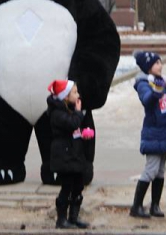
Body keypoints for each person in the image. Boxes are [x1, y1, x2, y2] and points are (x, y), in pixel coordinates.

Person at [129, 51, 166, 219]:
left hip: (164, 131)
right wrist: (158, 90)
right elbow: (147, 100)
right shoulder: (143, 83)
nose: (160, 65)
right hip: (152, 132)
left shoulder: (161, 83)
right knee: (151, 169)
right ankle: (136, 206)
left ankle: (155, 205)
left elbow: (165, 107)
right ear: (147, 67)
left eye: (161, 62)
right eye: (156, 63)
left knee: (160, 171)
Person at [47, 79, 92, 229]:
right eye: (74, 92)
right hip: (64, 157)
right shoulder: (56, 113)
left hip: (74, 155)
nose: (78, 94)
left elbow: (74, 129)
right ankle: (61, 219)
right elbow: (71, 124)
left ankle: (74, 217)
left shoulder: (69, 109)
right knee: (66, 187)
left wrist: (83, 135)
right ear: (65, 96)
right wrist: (79, 113)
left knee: (78, 186)